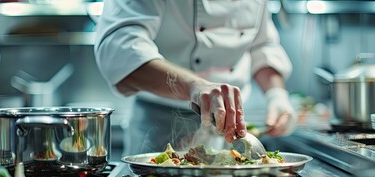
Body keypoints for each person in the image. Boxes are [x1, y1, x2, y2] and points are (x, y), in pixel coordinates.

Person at [94, 0, 296, 155]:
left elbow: (262, 45)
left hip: (231, 130)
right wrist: (194, 86)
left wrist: (276, 94)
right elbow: (119, 48)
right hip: (160, 131)